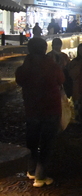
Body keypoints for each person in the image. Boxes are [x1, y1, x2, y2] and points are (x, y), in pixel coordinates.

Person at [15, 37, 64, 187]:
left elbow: (20, 79)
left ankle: (30, 170)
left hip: (32, 109)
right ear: (44, 49)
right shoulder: (51, 64)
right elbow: (61, 79)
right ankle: (40, 176)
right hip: (51, 109)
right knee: (46, 143)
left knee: (32, 140)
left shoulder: (26, 65)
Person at [66, 43, 82, 123]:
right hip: (77, 85)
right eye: (81, 50)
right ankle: (79, 118)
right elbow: (71, 73)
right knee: (78, 103)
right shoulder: (75, 62)